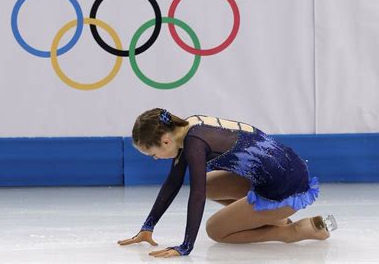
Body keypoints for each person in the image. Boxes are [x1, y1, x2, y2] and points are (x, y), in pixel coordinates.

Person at [117, 108, 337, 258]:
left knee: (215, 230)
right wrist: (148, 227)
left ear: (165, 140)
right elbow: (173, 182)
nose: (155, 159)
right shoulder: (187, 127)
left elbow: (196, 195)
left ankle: (294, 231)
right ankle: (277, 219)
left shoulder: (194, 144)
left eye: (153, 154)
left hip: (285, 189)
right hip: (289, 170)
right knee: (210, 184)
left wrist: (186, 246)